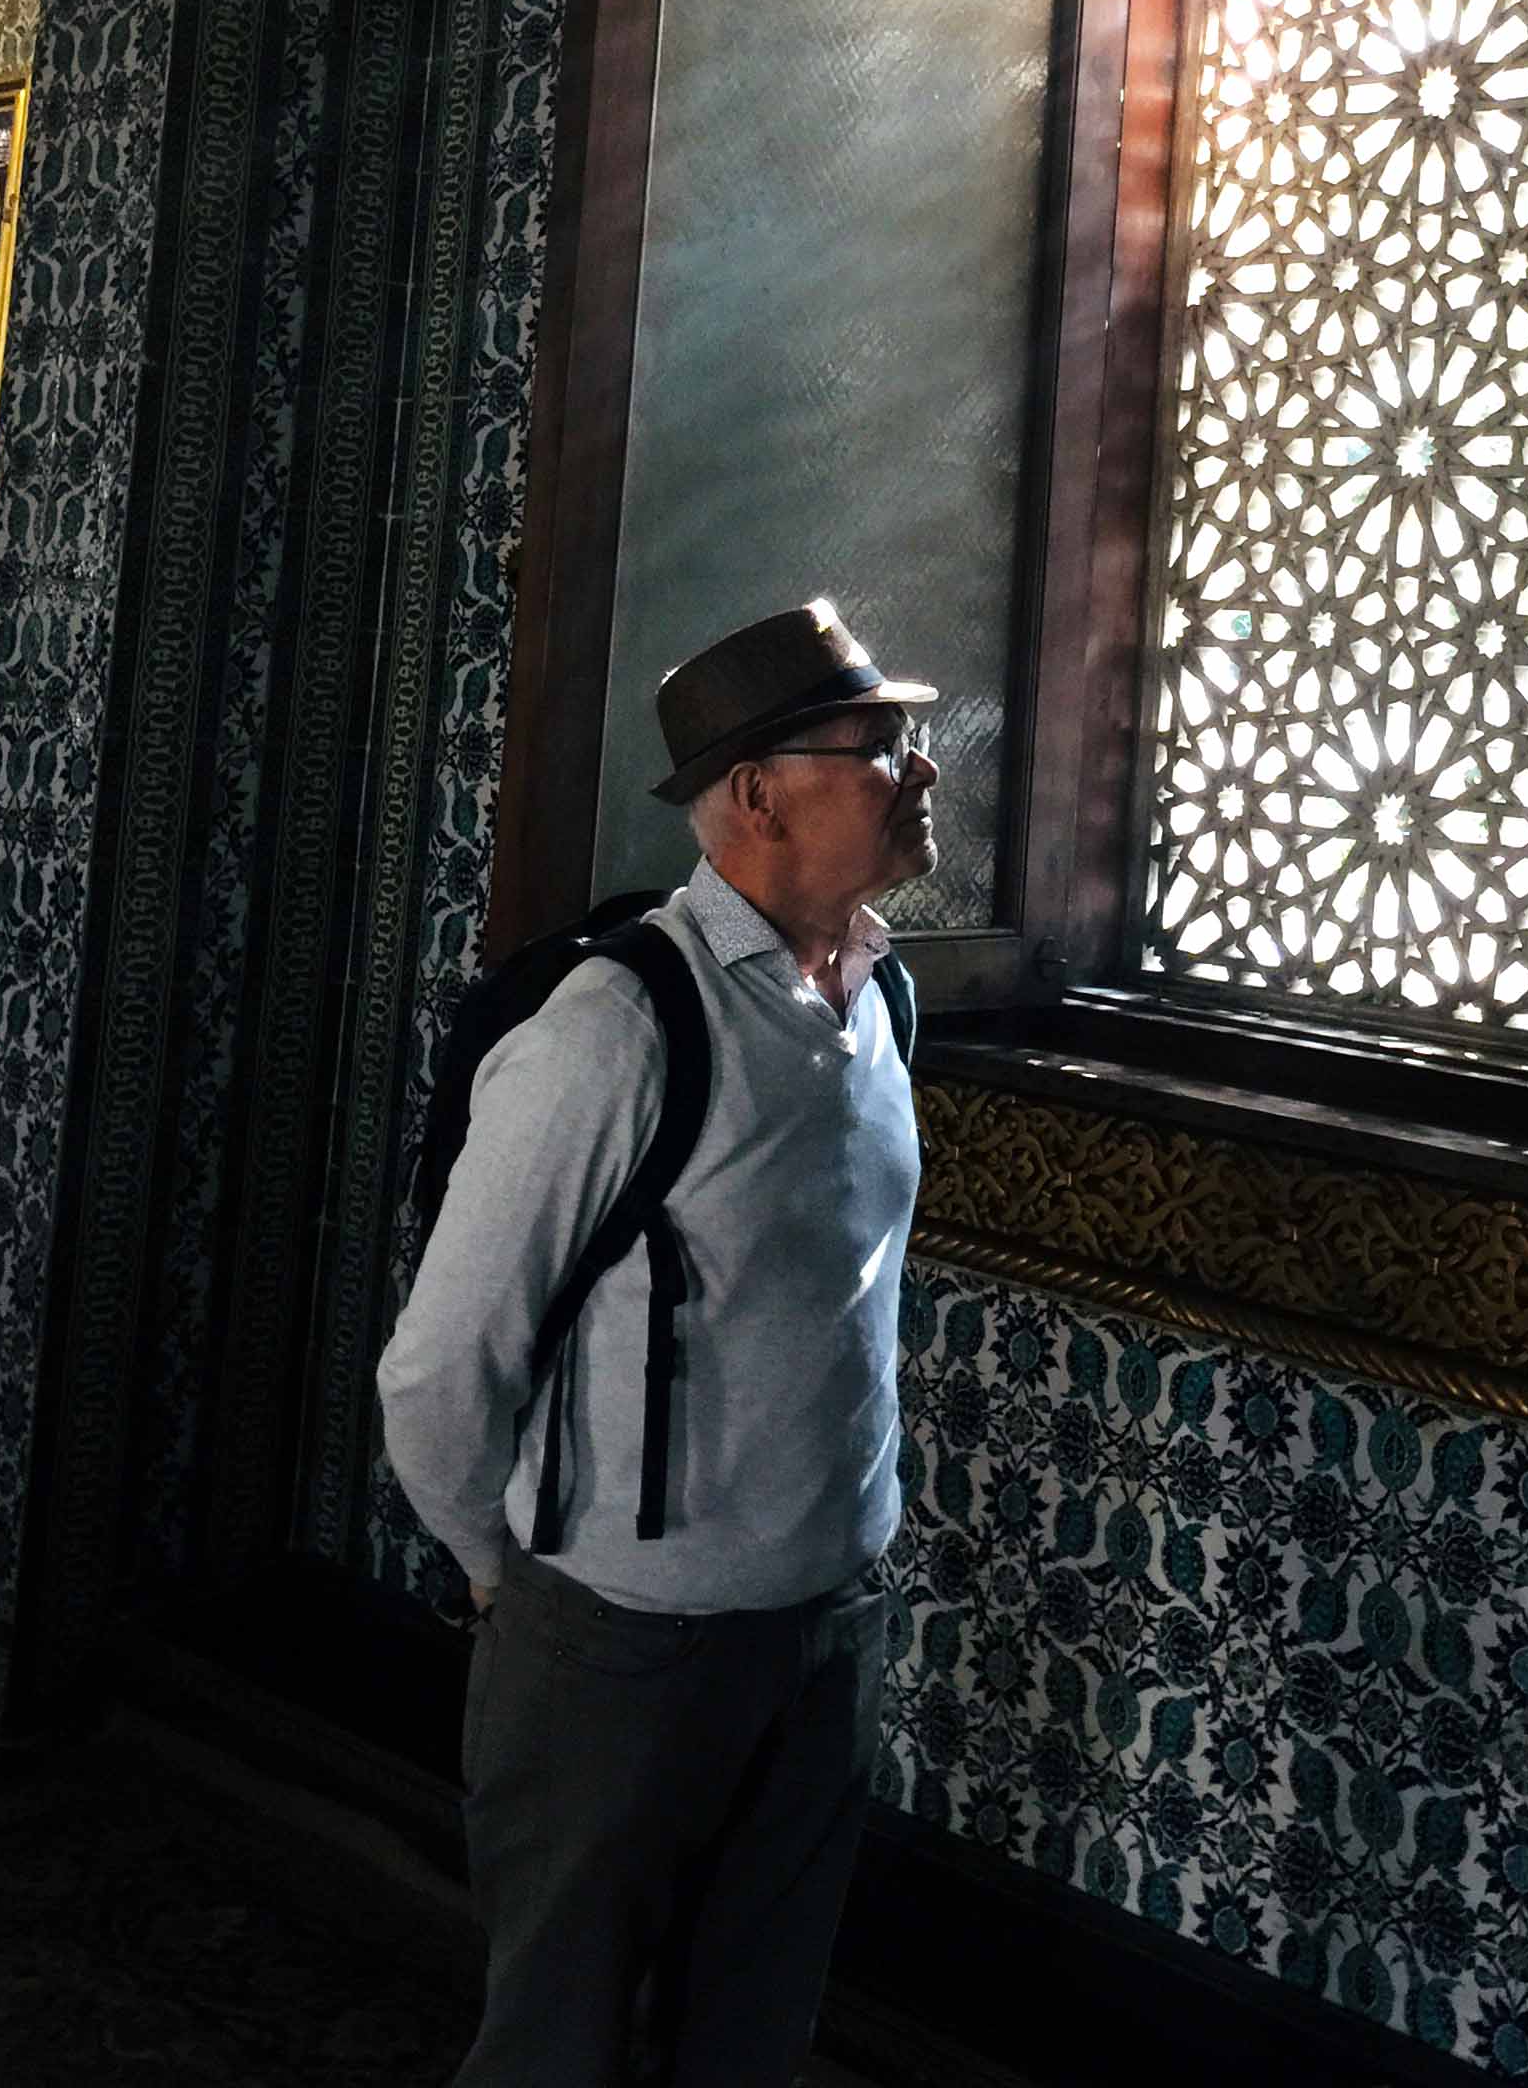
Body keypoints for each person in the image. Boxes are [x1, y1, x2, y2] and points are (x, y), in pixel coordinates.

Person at [378, 598, 936, 2088]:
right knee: (558, 2046)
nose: (921, 771)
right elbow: (438, 1370)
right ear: (757, 793)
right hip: (621, 1649)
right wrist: (509, 1580)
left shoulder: (878, 992)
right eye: (879, 747)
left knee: (749, 2037)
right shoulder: (618, 1027)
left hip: (826, 1628)